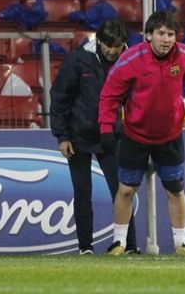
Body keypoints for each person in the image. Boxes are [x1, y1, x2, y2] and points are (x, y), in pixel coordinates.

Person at [99, 11, 185, 256]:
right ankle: (118, 243)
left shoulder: (184, 56)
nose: (166, 39)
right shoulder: (131, 58)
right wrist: (106, 127)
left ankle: (181, 244)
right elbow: (110, 94)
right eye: (161, 34)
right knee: (126, 190)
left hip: (170, 136)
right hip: (135, 135)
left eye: (171, 34)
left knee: (174, 190)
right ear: (148, 35)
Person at [50, 19, 139, 255]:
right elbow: (59, 97)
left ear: (123, 45)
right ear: (98, 41)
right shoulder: (78, 59)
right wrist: (62, 136)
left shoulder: (130, 61)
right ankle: (85, 248)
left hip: (113, 136)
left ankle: (129, 245)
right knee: (82, 193)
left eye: (117, 46)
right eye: (108, 45)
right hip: (77, 137)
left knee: (123, 191)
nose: (112, 51)